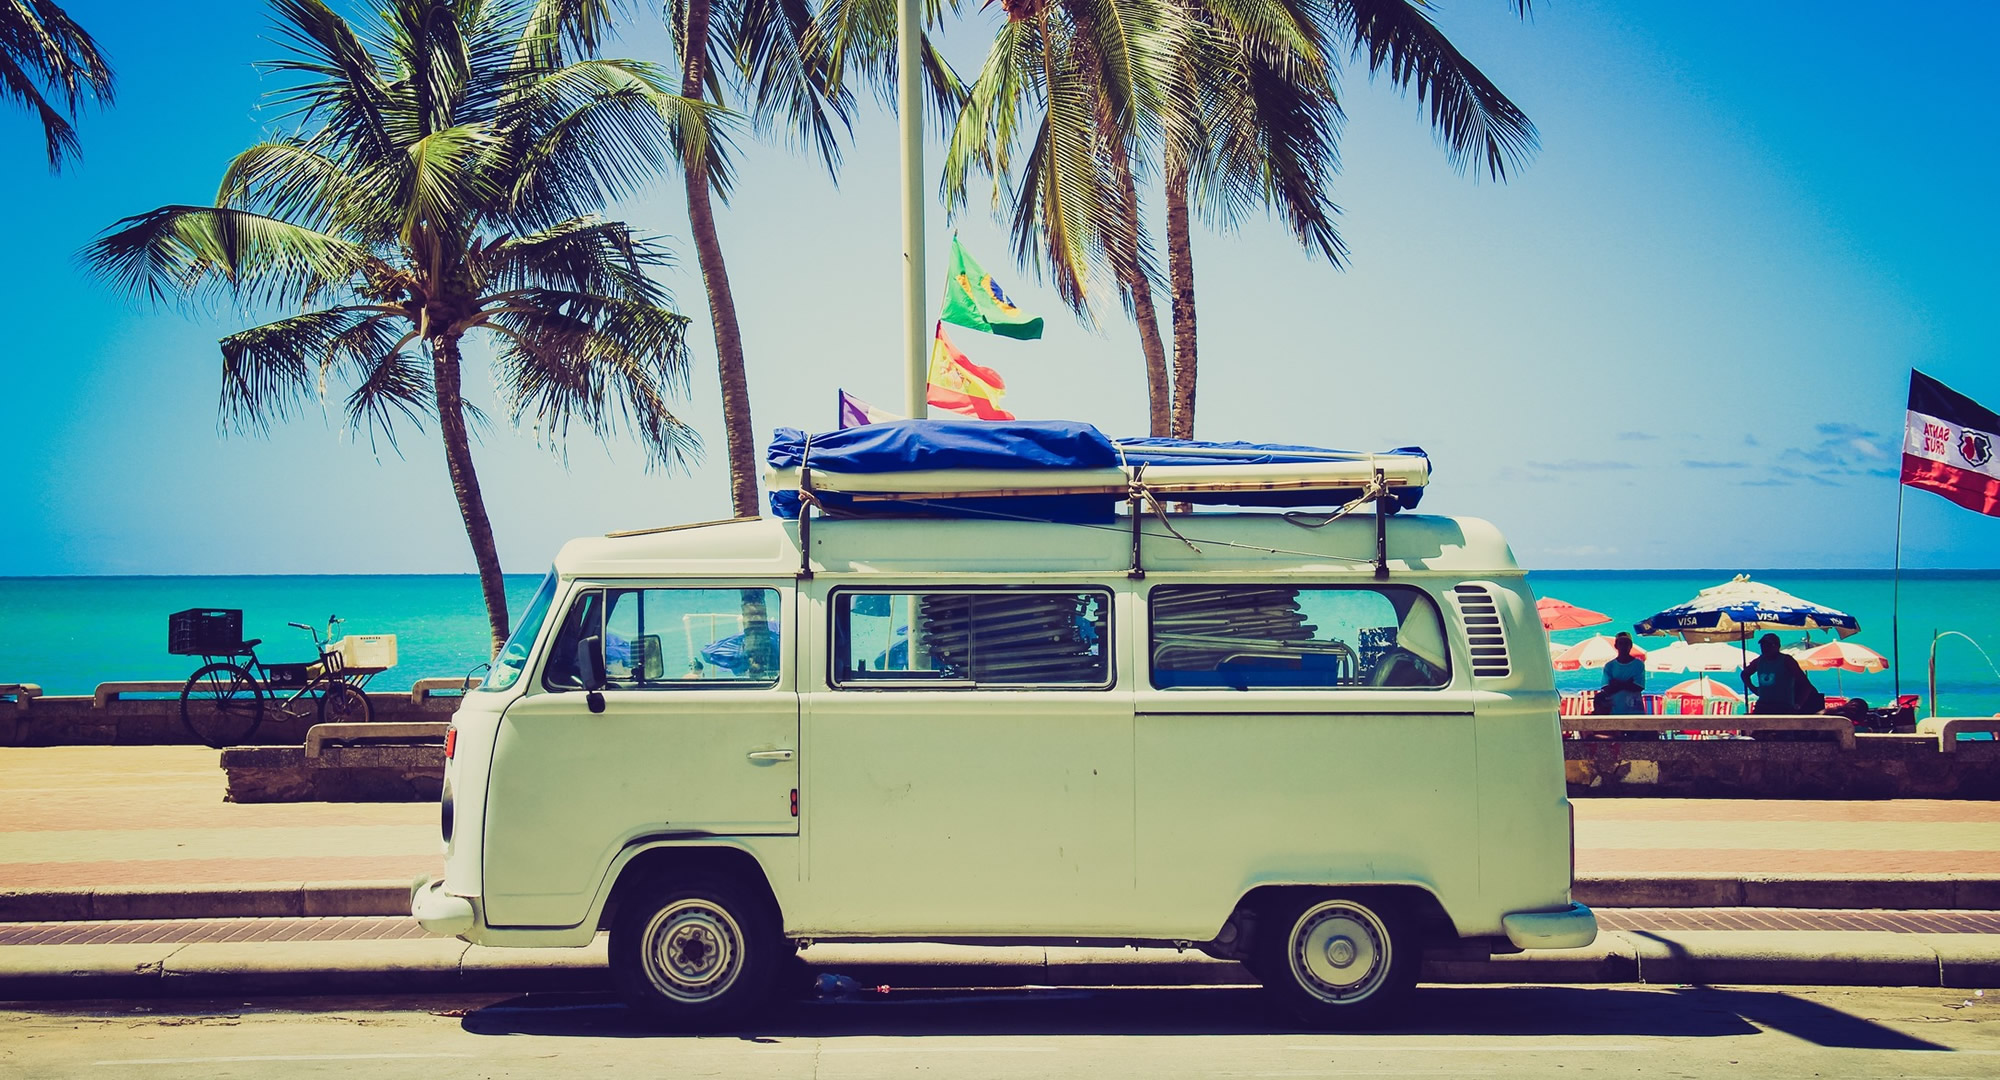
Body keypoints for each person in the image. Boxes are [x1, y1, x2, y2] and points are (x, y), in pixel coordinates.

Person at [1741, 634, 1805, 714]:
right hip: (1763, 705)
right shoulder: (1760, 661)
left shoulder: (1786, 661)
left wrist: (1798, 704)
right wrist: (1754, 689)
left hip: (1783, 707)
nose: (1765, 648)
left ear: (1777, 646)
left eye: (1769, 645)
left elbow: (1804, 684)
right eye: (1763, 645)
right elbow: (1744, 674)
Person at [1600, 633, 1646, 714]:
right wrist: (1628, 684)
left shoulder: (1638, 665)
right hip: (1615, 711)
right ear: (1616, 646)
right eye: (1621, 643)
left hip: (1635, 712)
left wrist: (1617, 684)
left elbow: (1639, 687)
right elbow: (1606, 689)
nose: (1623, 646)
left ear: (1631, 645)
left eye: (1626, 643)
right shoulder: (1609, 666)